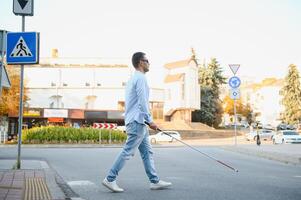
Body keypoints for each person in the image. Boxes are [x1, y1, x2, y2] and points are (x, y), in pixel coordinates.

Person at [102, 52, 172, 192]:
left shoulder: (133, 78)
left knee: (147, 152)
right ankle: (110, 179)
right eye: (147, 60)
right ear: (141, 62)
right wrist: (150, 120)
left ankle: (154, 181)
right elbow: (142, 102)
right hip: (137, 122)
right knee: (128, 151)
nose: (149, 63)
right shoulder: (140, 79)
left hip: (137, 121)